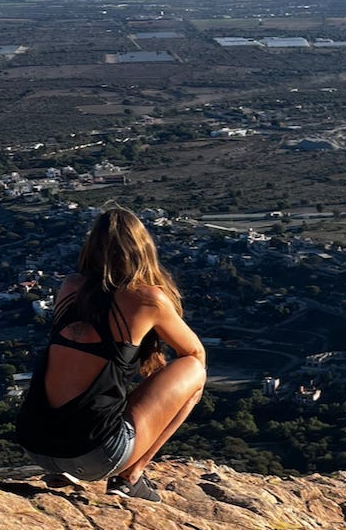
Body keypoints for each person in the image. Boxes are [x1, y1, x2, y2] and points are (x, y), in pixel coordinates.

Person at [16, 206, 206, 501]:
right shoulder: (147, 299)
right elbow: (195, 353)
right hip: (95, 455)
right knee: (194, 369)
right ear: (142, 249)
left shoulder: (70, 287)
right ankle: (131, 476)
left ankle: (68, 468)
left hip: (36, 446)